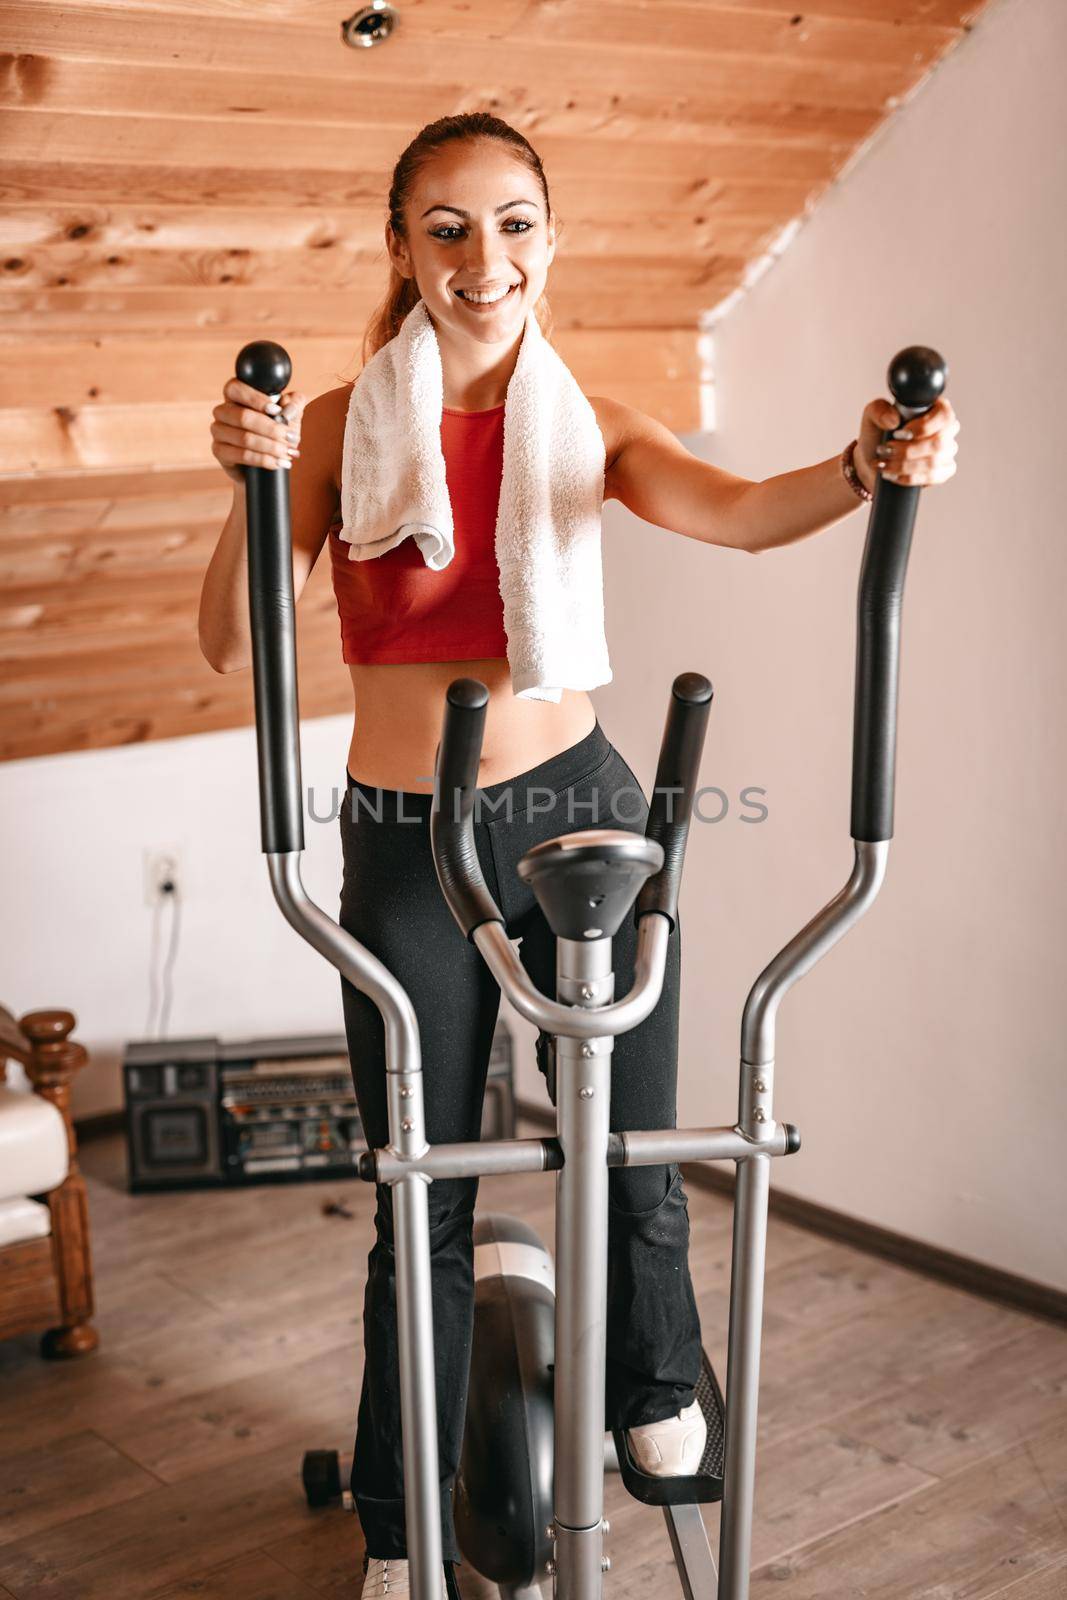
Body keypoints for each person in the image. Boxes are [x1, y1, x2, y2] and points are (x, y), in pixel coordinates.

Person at [198, 112, 960, 1599]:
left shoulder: (588, 423)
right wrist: (242, 486)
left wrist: (870, 464)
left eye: (517, 224)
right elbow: (234, 640)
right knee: (418, 1186)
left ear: (552, 234)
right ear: (402, 245)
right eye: (451, 228)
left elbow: (742, 516)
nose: (489, 260)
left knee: (637, 1134)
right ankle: (400, 1511)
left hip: (581, 803)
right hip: (404, 835)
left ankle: (657, 1391)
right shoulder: (341, 426)